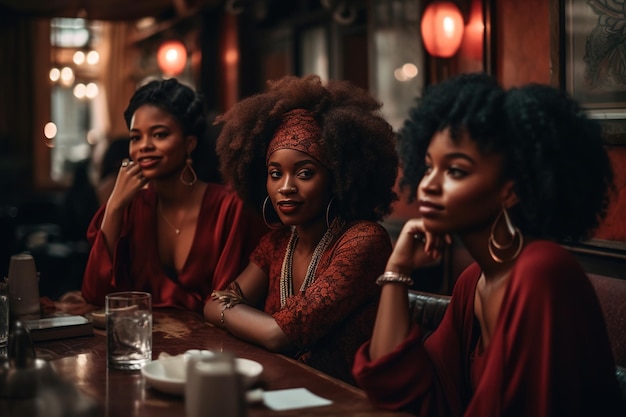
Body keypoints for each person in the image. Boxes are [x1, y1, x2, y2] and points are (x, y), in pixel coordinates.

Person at [352, 73, 622, 416]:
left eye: (456, 171)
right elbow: (401, 390)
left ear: (511, 189)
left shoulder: (542, 272)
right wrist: (397, 270)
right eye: (430, 166)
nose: (428, 186)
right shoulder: (473, 281)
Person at [203, 74, 399, 384]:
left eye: (305, 173)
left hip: (349, 403)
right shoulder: (278, 241)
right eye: (275, 173)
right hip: (282, 391)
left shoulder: (363, 240)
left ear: (336, 177)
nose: (286, 187)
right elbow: (212, 304)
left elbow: (276, 335)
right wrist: (232, 309)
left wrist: (233, 311)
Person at [81, 78, 267, 314]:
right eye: (135, 137)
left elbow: (238, 304)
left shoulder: (230, 208)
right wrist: (115, 206)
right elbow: (95, 295)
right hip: (145, 343)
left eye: (159, 135)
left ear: (189, 143)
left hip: (217, 347)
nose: (144, 146)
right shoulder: (130, 208)